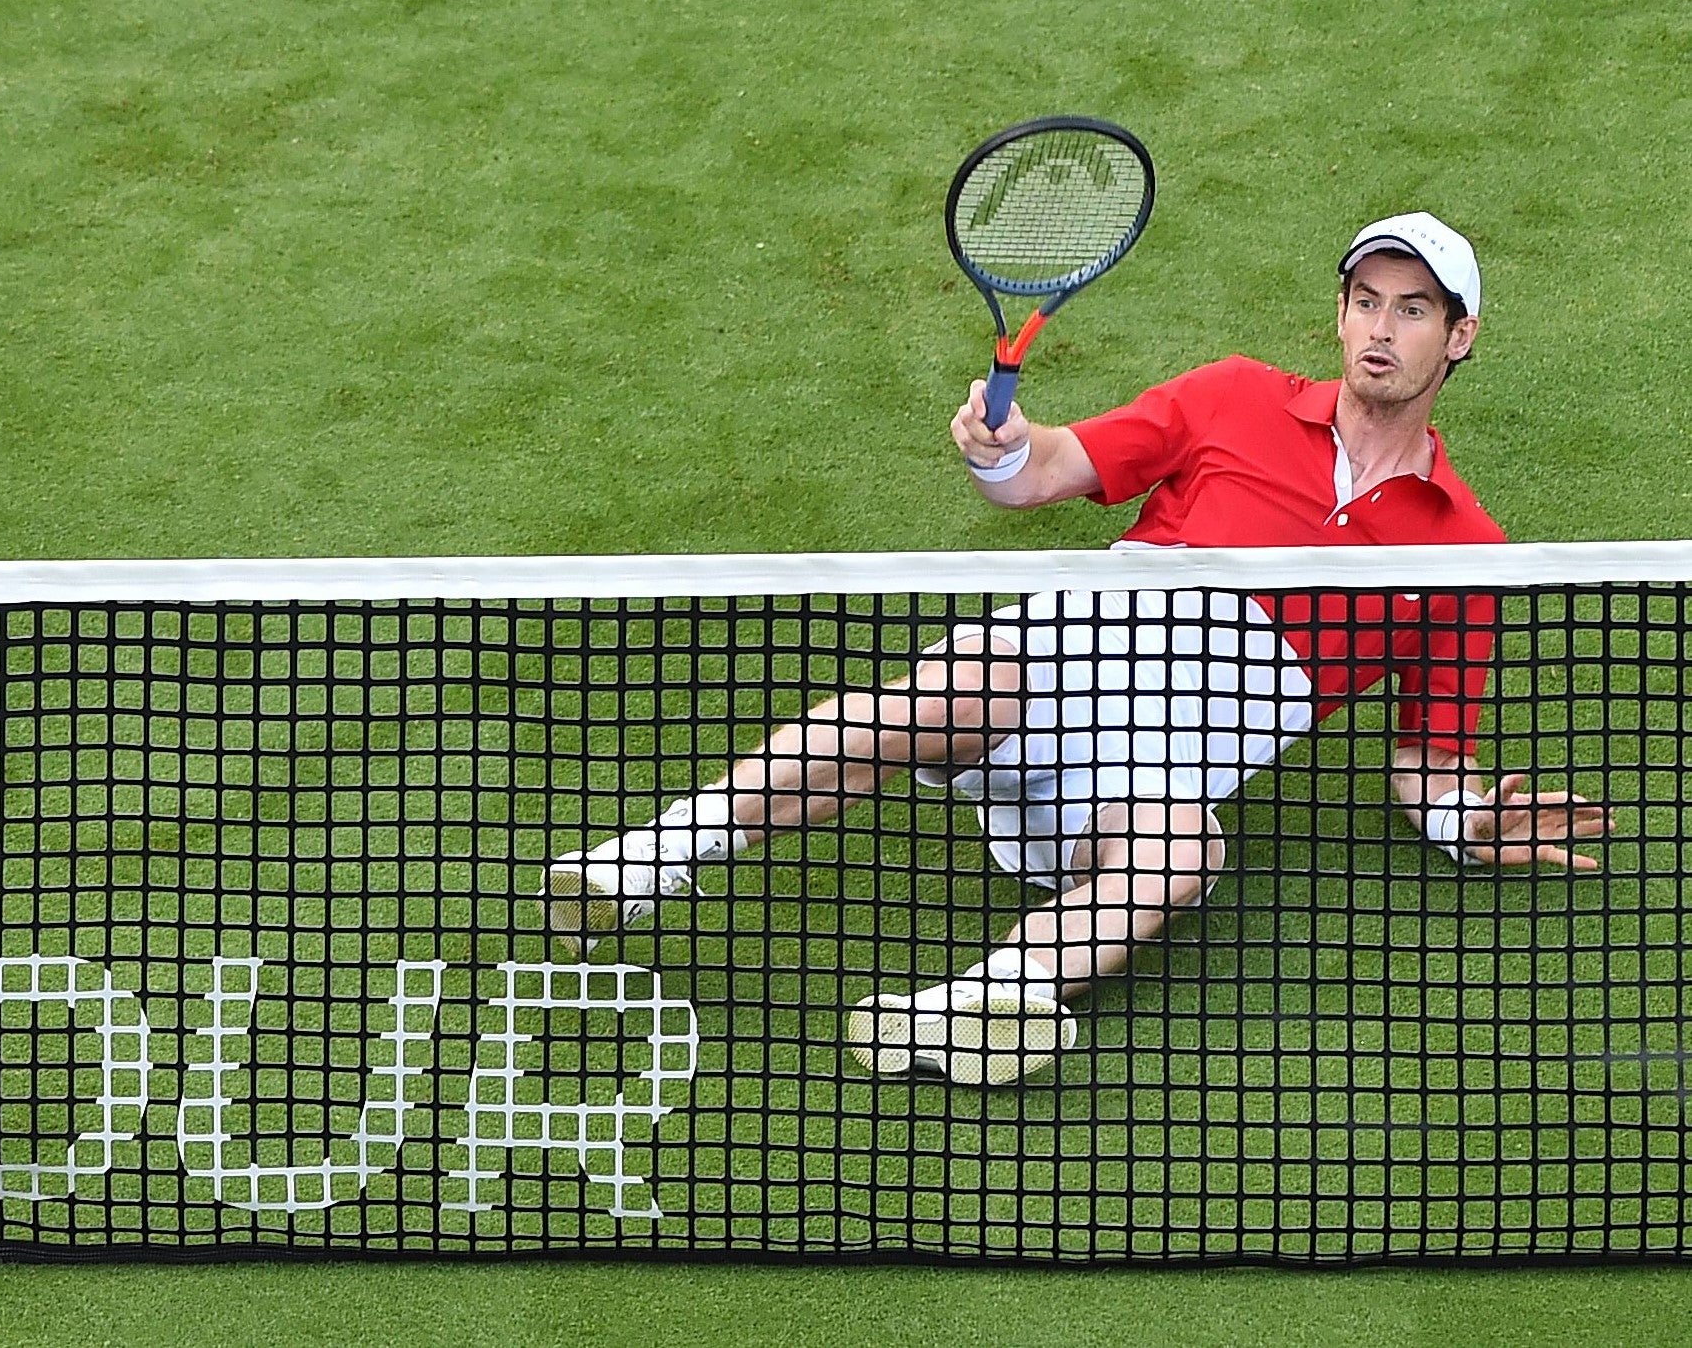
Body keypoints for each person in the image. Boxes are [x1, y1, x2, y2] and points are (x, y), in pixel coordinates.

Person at [543, 212, 1609, 1086]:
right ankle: (639, 864)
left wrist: (1465, 821)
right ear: (1338, 314)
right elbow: (1046, 469)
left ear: (1456, 338)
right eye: (1364, 301)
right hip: (1070, 652)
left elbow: (1427, 761)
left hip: (1162, 761)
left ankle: (978, 1004)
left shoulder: (1464, 549)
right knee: (921, 703)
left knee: (1184, 854)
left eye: (1412, 309)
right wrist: (999, 454)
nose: (1380, 327)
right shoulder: (1231, 395)